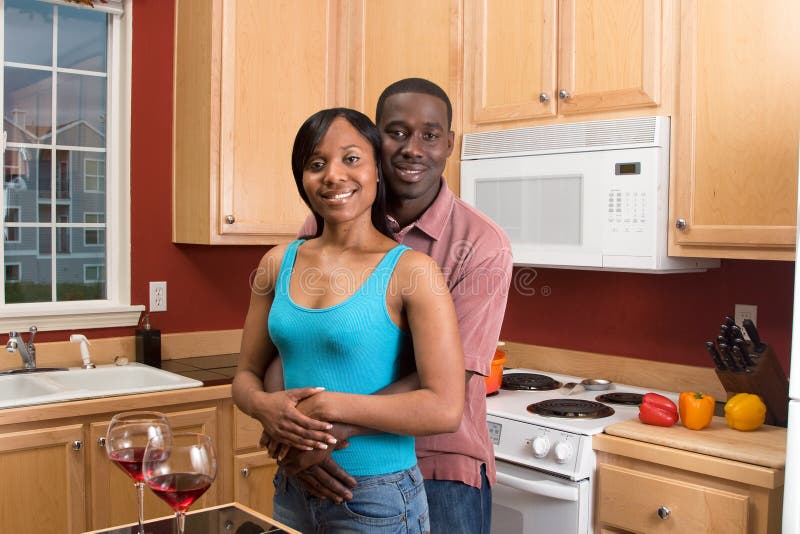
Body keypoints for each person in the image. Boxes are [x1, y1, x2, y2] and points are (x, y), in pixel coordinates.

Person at [262, 78, 513, 533]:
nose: (412, 148)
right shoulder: (325, 220)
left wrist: (326, 432)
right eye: (396, 132)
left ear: (449, 144)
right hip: (327, 463)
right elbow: (293, 339)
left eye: (430, 135)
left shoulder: (481, 244)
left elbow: (449, 377)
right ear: (375, 142)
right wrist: (284, 421)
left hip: (440, 461)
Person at [232, 107, 466, 533]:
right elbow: (245, 376)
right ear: (302, 179)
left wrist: (326, 408)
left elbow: (445, 407)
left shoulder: (412, 271)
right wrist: (267, 408)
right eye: (316, 164)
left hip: (377, 495)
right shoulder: (276, 263)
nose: (333, 175)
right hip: (292, 487)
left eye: (351, 159)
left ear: (378, 170)